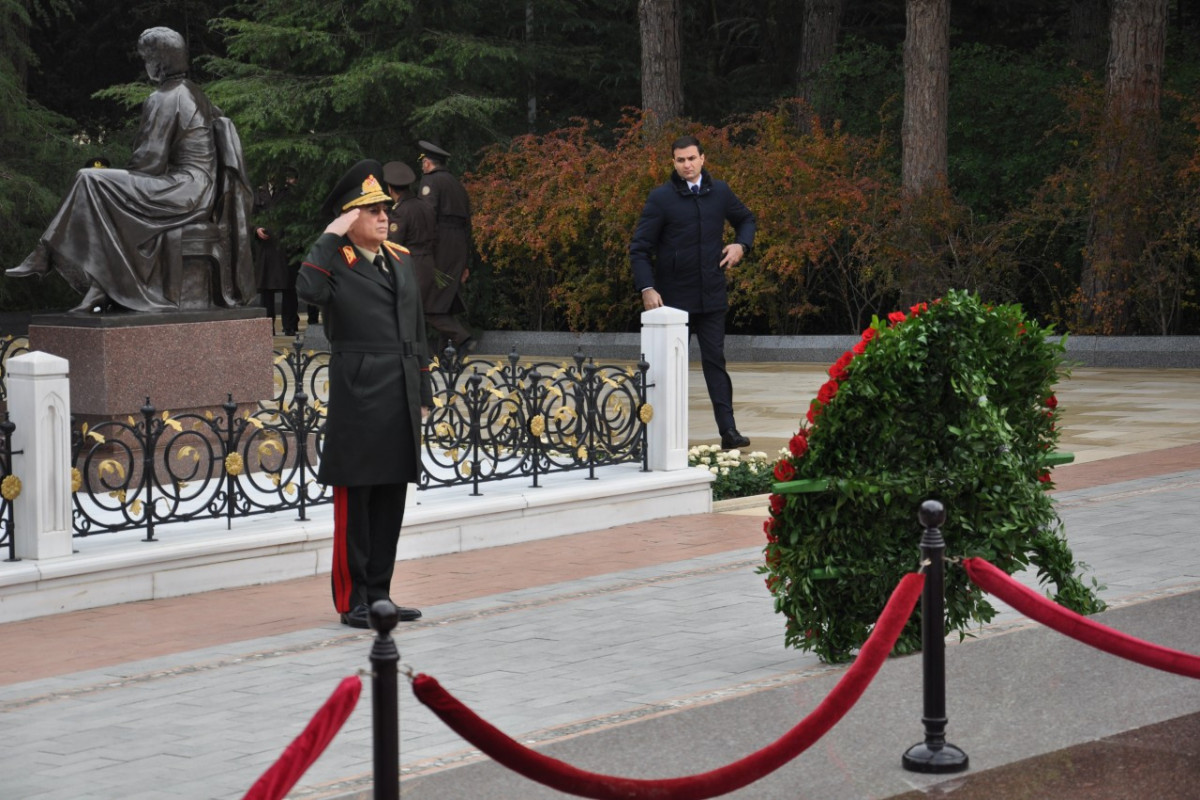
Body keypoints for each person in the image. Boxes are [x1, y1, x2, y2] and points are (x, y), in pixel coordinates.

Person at [6, 27, 253, 313]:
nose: (145, 66)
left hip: (185, 190)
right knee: (98, 186)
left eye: (146, 59)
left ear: (158, 63)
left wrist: (121, 182)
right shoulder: (193, 92)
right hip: (197, 190)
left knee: (89, 179)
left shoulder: (165, 97)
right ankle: (99, 285)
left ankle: (49, 252)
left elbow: (149, 163)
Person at [296, 160, 432, 629]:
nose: (383, 216)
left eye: (383, 209)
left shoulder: (400, 258)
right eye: (370, 210)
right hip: (359, 390)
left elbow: (417, 328)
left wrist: (424, 389)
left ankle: (380, 594)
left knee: (391, 496)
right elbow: (306, 289)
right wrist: (330, 235)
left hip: (400, 387)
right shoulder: (334, 261)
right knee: (357, 499)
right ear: (348, 219)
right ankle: (353, 599)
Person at [630, 135, 756, 450]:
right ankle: (652, 433)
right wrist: (647, 288)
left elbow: (746, 219)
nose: (686, 164)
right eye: (680, 160)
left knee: (716, 362)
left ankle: (728, 431)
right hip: (673, 301)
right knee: (665, 369)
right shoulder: (661, 198)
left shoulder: (720, 192)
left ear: (703, 158)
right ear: (673, 163)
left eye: (691, 158)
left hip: (711, 297)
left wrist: (741, 244)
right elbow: (640, 248)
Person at [416, 140, 475, 352]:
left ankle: (463, 339)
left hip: (440, 246)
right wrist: (465, 261)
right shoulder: (457, 185)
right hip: (457, 248)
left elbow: (426, 215)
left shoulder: (430, 181)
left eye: (423, 162)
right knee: (444, 303)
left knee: (429, 304)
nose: (422, 166)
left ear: (429, 164)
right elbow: (469, 224)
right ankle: (445, 358)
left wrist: (422, 247)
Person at [383, 161, 440, 336]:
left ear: (390, 188)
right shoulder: (424, 205)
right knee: (423, 314)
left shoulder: (401, 211)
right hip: (429, 263)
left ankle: (421, 357)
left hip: (411, 266)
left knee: (408, 316)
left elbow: (394, 244)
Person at [252, 169, 294, 333]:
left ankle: (290, 326)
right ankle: (268, 328)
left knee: (288, 288)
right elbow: (251, 217)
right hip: (266, 249)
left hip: (284, 246)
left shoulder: (288, 192)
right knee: (266, 291)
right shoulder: (259, 192)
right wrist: (256, 229)